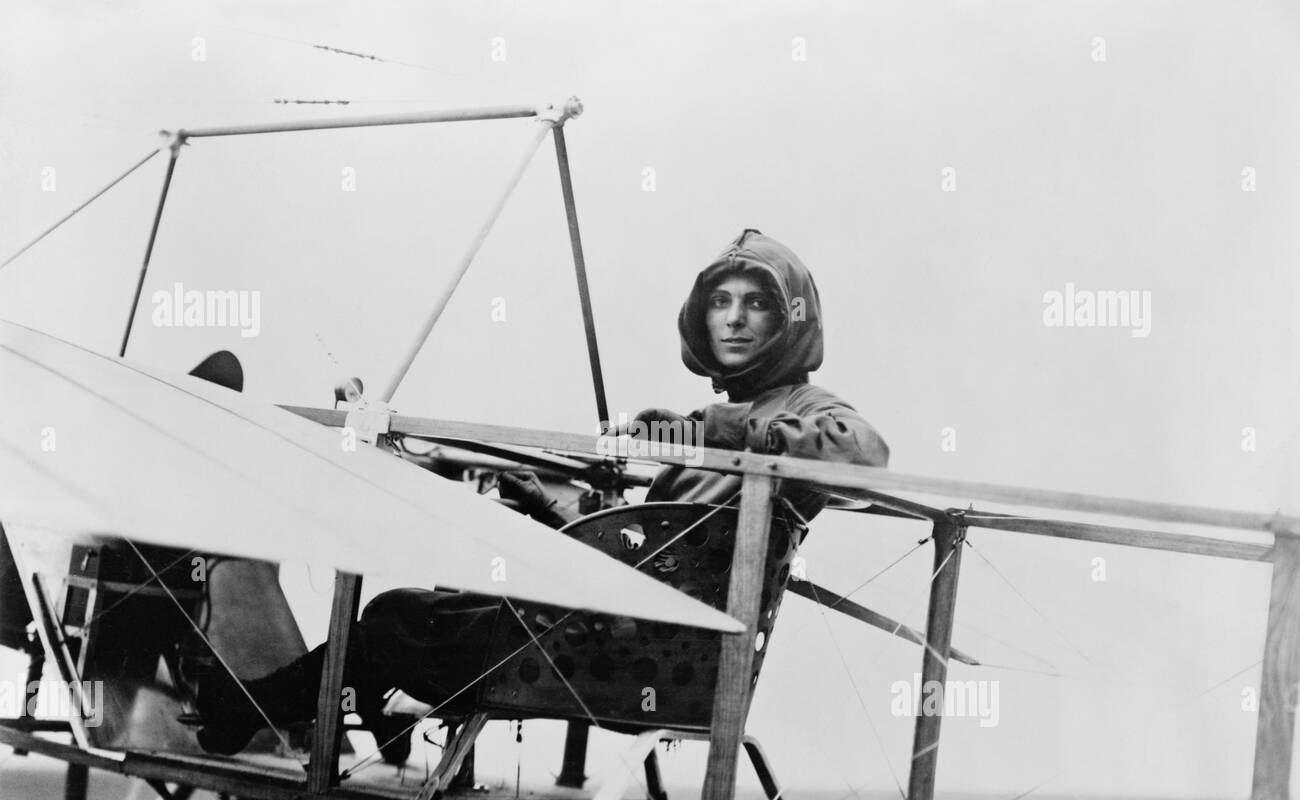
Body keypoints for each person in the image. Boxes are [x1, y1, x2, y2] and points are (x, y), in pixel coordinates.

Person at [188, 229, 889, 762]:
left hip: (628, 656)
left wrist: (706, 426)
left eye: (758, 303)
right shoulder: (728, 423)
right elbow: (651, 549)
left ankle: (256, 706)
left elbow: (866, 455)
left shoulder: (802, 407)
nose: (733, 319)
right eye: (722, 303)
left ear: (792, 320)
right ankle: (291, 705)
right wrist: (548, 507)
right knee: (427, 600)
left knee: (396, 617)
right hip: (625, 640)